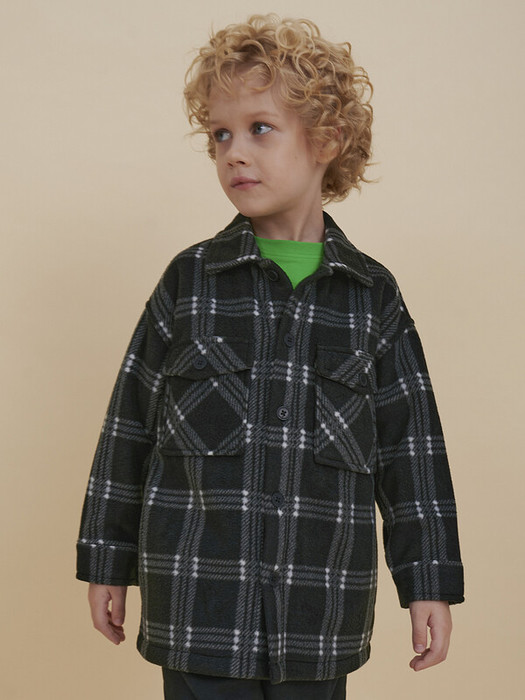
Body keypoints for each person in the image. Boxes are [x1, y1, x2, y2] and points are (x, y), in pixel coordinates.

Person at [77, 14, 464, 700]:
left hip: (320, 615)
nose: (233, 153)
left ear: (327, 140)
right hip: (197, 605)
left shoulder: (372, 297)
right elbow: (128, 427)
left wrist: (427, 582)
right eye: (220, 135)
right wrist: (107, 560)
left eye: (259, 128)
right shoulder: (189, 283)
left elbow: (412, 450)